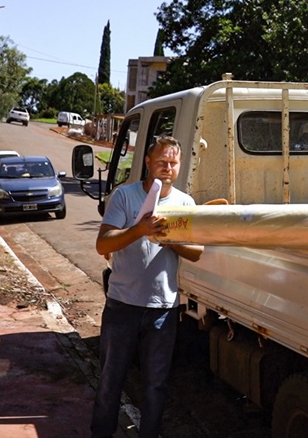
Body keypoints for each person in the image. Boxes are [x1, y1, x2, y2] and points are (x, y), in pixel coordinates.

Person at [90, 135, 204, 438]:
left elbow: (197, 252)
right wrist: (140, 229)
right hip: (122, 306)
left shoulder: (185, 203)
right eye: (161, 161)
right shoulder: (124, 197)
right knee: (110, 381)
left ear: (179, 165)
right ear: (148, 162)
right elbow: (103, 243)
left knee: (155, 386)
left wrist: (168, 238)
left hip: (162, 310)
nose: (167, 167)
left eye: (172, 162)